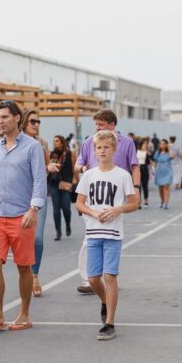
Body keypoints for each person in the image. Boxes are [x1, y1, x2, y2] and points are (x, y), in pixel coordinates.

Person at [0, 100, 46, 334]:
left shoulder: (32, 147)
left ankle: (24, 313)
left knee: (23, 266)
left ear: (18, 118)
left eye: (5, 117)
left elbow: (39, 180)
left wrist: (33, 209)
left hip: (22, 215)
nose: (1, 121)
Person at [75, 130, 138, 340]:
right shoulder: (88, 175)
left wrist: (117, 209)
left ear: (114, 149)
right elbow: (80, 203)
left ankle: (109, 322)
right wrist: (94, 212)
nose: (102, 151)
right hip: (93, 232)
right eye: (99, 147)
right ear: (94, 150)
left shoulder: (123, 175)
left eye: (106, 147)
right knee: (93, 279)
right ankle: (105, 301)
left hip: (113, 234)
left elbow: (133, 203)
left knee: (110, 276)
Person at [74, 109, 140, 295]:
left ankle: (109, 276)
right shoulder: (89, 141)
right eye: (96, 125)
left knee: (111, 236)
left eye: (101, 124)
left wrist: (136, 188)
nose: (97, 128)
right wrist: (82, 169)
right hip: (92, 195)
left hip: (116, 195)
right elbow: (78, 165)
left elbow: (134, 166)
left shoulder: (126, 143)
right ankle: (89, 279)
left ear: (112, 125)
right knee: (89, 238)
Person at [21, 108, 50, 298]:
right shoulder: (15, 142)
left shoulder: (42, 143)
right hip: (19, 195)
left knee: (37, 238)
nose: (36, 125)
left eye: (38, 122)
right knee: (23, 239)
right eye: (32, 121)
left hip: (38, 195)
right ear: (23, 122)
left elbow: (45, 166)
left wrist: (50, 166)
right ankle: (24, 276)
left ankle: (35, 275)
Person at [47, 135, 74, 240]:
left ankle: (68, 224)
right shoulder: (53, 154)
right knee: (56, 210)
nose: (55, 143)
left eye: (57, 141)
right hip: (54, 183)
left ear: (62, 142)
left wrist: (74, 180)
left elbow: (72, 167)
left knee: (66, 208)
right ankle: (58, 231)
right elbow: (53, 168)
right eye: (53, 141)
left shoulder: (68, 153)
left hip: (65, 183)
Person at [152, 139, 175, 209]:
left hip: (168, 172)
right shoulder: (157, 153)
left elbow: (172, 156)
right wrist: (153, 170)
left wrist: (169, 148)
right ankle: (162, 201)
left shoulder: (169, 152)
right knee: (161, 187)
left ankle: (166, 203)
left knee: (166, 186)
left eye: (164, 144)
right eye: (161, 144)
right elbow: (155, 162)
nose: (162, 145)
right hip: (159, 172)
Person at [136, 138, 152, 207]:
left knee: (145, 185)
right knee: (138, 186)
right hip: (137, 169)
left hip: (144, 169)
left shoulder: (147, 153)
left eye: (146, 144)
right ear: (141, 144)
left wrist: (147, 152)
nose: (145, 145)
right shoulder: (136, 151)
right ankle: (139, 202)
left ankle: (146, 199)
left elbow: (149, 162)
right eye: (144, 144)